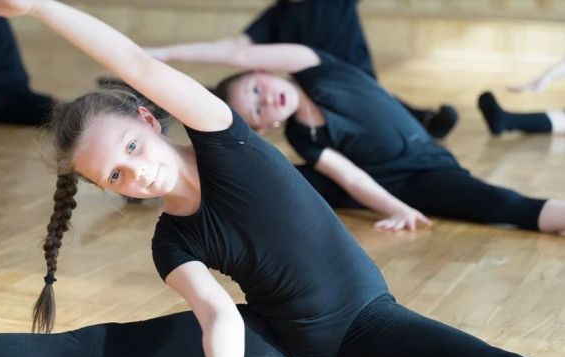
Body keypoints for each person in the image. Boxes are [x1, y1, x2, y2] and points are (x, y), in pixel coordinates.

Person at [0, 2, 564, 357]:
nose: (132, 176)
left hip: (366, 327)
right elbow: (217, 314)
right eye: (114, 177)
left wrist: (44, 7)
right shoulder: (171, 241)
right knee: (91, 349)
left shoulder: (229, 144)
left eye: (132, 152)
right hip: (277, 343)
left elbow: (136, 65)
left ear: (150, 122)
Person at [149, 41, 565, 233]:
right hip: (399, 184)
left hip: (427, 166)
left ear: (267, 71)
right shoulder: (304, 137)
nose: (266, 100)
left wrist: (167, 56)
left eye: (257, 88)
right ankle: (181, 181)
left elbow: (237, 54)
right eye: (257, 110)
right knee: (287, 179)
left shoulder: (315, 64)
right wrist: (398, 208)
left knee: (497, 202)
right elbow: (352, 179)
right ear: (264, 127)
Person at [147, 0, 459, 139]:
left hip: (359, 84)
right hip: (320, 98)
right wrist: (165, 53)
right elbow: (234, 48)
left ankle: (426, 122)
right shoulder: (275, 16)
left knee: (384, 107)